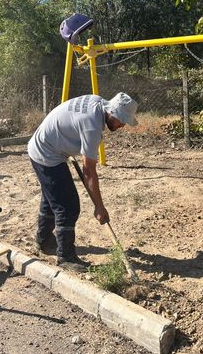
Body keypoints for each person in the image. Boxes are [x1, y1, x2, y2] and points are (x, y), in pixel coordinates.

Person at [27, 92, 138, 272]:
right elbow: (89, 172)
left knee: (52, 198)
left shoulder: (97, 103)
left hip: (47, 147)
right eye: (122, 120)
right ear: (113, 113)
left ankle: (44, 241)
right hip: (46, 153)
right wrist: (99, 207)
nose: (123, 125)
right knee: (67, 206)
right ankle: (65, 256)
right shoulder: (92, 127)